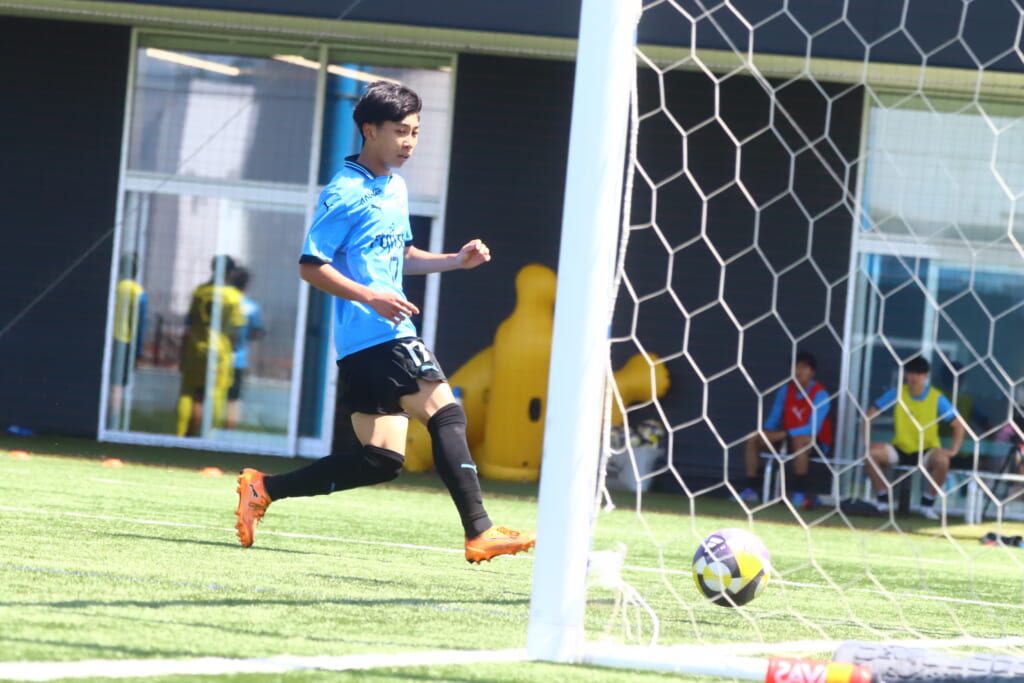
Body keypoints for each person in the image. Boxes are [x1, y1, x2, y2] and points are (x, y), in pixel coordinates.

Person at [234, 81, 536, 564]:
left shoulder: (395, 186)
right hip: (380, 334)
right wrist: (370, 296)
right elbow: (311, 265)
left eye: (415, 132)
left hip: (366, 344)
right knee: (447, 414)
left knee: (381, 460)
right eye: (400, 131)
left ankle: (264, 488)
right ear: (369, 130)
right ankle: (480, 531)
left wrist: (455, 261)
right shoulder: (344, 191)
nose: (409, 142)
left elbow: (401, 255)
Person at [863, 355, 965, 520]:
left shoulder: (936, 397)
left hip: (927, 450)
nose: (914, 377)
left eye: (919, 373)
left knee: (943, 461)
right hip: (900, 448)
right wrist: (868, 443)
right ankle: (883, 500)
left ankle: (927, 504)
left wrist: (953, 451)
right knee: (870, 455)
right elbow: (869, 416)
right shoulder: (897, 393)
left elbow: (958, 425)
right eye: (911, 373)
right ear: (905, 374)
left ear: (926, 376)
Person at [738, 350, 833, 509]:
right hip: (786, 438)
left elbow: (813, 428)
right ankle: (751, 489)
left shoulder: (820, 394)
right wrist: (766, 432)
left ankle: (799, 494)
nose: (798, 371)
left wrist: (784, 434)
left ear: (812, 372)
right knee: (753, 438)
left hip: (815, 442)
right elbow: (774, 417)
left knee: (799, 441)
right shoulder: (785, 390)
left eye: (803, 367)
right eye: (796, 367)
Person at [176, 255, 244, 437]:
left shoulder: (200, 291)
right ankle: (209, 437)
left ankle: (183, 434)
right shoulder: (232, 297)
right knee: (215, 395)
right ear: (230, 273)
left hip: (196, 347)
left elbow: (190, 322)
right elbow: (235, 328)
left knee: (190, 394)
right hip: (219, 351)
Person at [108, 252, 148, 429]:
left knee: (107, 383)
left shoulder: (113, 287)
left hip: (109, 340)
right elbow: (140, 324)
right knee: (117, 386)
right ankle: (112, 422)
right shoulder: (138, 292)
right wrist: (138, 352)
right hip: (125, 342)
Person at [225, 267, 266, 430]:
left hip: (216, 356)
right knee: (233, 399)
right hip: (238, 359)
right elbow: (257, 332)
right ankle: (228, 431)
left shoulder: (222, 300)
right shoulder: (251, 307)